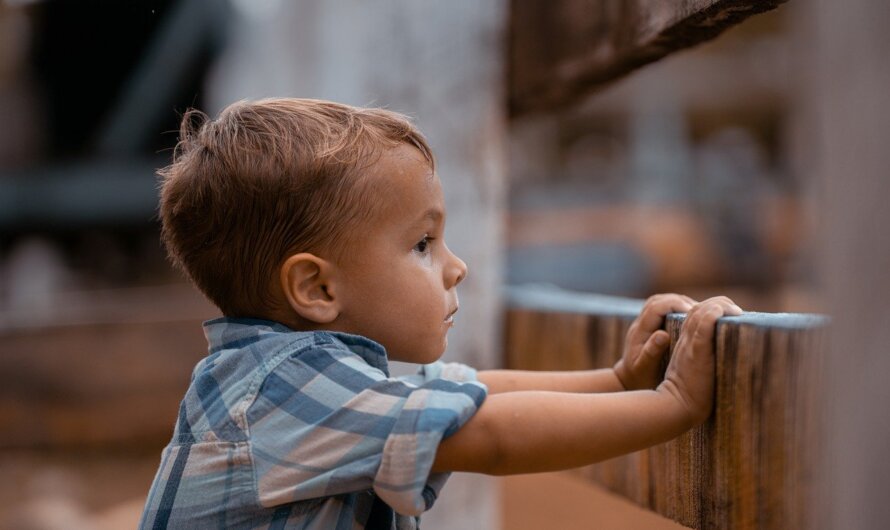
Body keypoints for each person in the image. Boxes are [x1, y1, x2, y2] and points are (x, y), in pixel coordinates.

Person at [139, 98, 742, 530]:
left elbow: (473, 393)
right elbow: (492, 436)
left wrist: (616, 383)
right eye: (423, 244)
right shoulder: (284, 387)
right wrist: (672, 408)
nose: (457, 268)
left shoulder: (310, 376)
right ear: (316, 287)